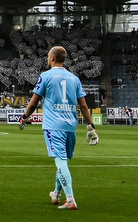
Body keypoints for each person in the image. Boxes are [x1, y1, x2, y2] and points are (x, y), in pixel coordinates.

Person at [20, 46, 99, 211]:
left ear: (52, 58)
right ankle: (56, 193)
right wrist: (91, 126)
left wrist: (25, 117)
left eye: (48, 56)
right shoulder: (74, 78)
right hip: (70, 126)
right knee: (63, 160)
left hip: (53, 126)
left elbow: (34, 102)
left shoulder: (46, 76)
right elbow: (83, 105)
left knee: (60, 161)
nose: (48, 59)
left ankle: (70, 199)